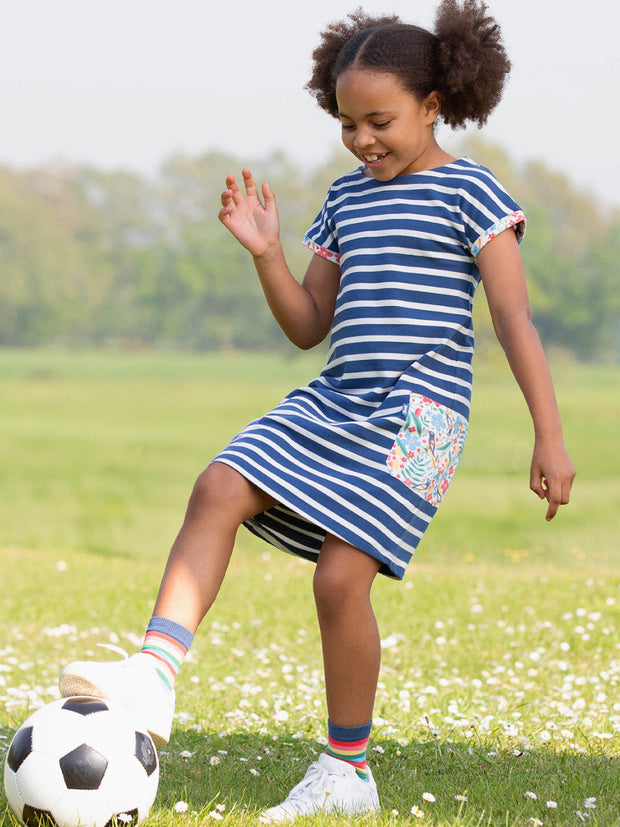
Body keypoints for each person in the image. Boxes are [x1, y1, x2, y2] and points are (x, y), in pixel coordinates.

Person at [59, 1, 576, 821]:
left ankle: (347, 768)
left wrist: (549, 435)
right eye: (348, 124)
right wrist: (268, 254)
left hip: (420, 420)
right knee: (219, 483)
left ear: (433, 105)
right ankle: (154, 673)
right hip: (337, 396)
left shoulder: (473, 194)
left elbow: (514, 319)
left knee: (341, 581)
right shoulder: (344, 200)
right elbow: (308, 325)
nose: (364, 140)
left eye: (381, 121)